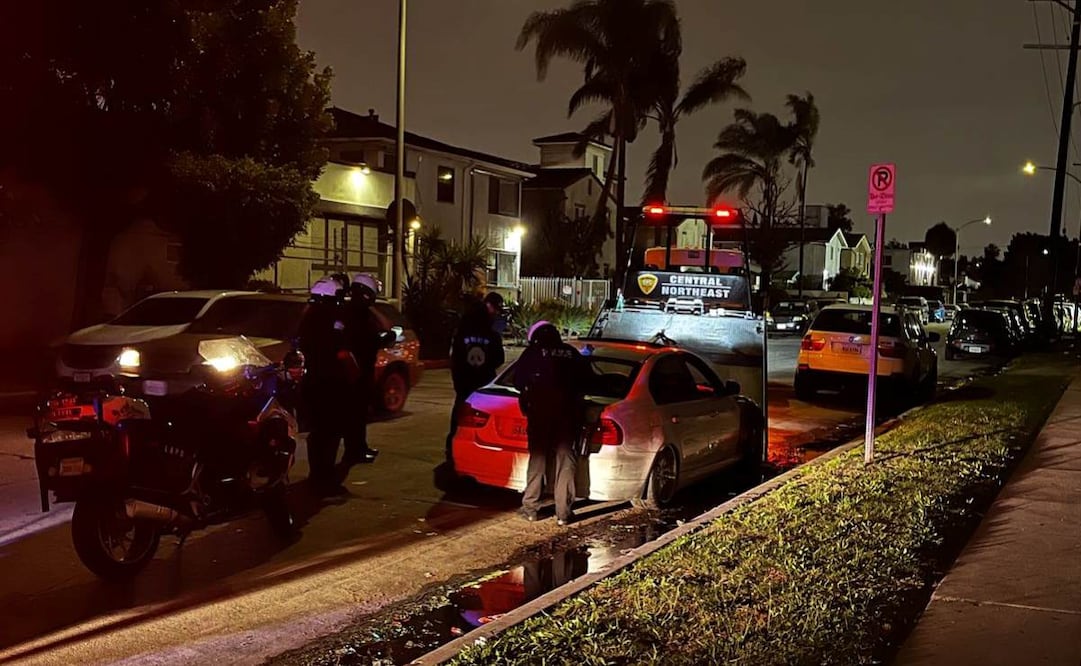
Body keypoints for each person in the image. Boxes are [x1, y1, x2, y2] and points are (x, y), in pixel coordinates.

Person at [513, 321, 591, 526]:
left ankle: (531, 508)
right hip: (568, 416)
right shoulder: (571, 353)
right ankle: (563, 513)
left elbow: (517, 381)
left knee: (538, 458)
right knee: (566, 460)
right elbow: (589, 380)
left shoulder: (532, 353)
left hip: (539, 414)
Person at [296, 275, 351, 496]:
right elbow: (340, 350)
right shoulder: (330, 320)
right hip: (330, 384)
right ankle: (324, 479)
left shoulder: (308, 318)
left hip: (313, 383)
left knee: (319, 433)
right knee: (329, 433)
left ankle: (317, 475)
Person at [340, 273, 396, 470]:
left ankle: (358, 448)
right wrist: (385, 337)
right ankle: (355, 451)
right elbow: (380, 333)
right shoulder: (359, 316)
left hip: (355, 372)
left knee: (358, 414)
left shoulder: (351, 311)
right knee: (356, 415)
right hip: (357, 373)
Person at [446, 293, 506, 464]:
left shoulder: (462, 333)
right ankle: (481, 449)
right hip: (483, 383)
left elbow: (456, 358)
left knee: (459, 417)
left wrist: (458, 380)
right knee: (483, 419)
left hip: (464, 383)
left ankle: (453, 450)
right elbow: (499, 359)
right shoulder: (492, 335)